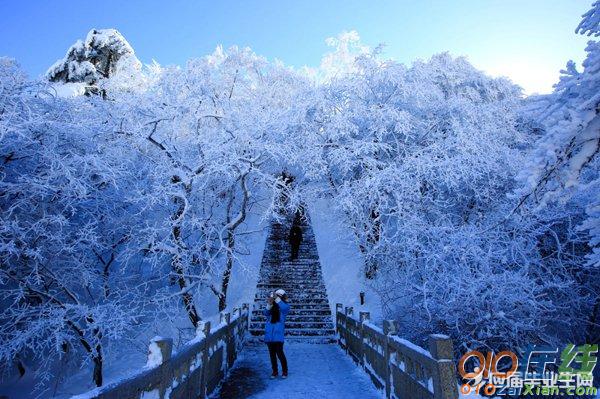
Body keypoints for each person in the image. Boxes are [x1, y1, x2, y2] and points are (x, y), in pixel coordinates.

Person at [263, 288, 290, 379]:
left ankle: (285, 371)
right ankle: (274, 371)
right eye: (275, 296)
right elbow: (266, 313)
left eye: (278, 296)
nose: (275, 298)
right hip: (269, 335)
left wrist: (277, 299)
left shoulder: (284, 308)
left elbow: (284, 308)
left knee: (280, 354)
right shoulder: (272, 307)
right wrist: (269, 303)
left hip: (278, 335)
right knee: (272, 355)